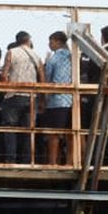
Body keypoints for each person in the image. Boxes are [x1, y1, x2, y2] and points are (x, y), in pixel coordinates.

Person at [0, 31, 43, 165]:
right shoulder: (36, 55)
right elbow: (42, 76)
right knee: (29, 130)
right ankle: (27, 160)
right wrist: (42, 97)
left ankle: (11, 159)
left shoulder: (11, 52)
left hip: (14, 95)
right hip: (31, 96)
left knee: (10, 128)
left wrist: (5, 88)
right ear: (29, 40)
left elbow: (4, 74)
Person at [42, 30, 74, 166]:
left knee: (54, 134)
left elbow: (48, 78)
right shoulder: (73, 57)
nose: (49, 44)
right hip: (73, 99)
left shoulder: (53, 59)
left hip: (56, 100)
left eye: (51, 41)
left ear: (57, 41)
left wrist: (44, 97)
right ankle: (70, 162)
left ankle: (53, 162)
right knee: (71, 134)